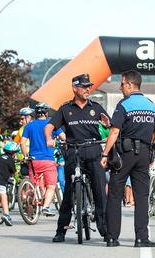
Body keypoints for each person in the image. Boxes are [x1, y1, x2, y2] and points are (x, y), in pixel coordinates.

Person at [100, 70, 155, 247]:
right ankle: (142, 238)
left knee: (114, 193)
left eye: (121, 84)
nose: (120, 88)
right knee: (142, 196)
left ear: (129, 84)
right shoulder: (151, 105)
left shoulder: (124, 104)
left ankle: (112, 237)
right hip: (144, 154)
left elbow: (114, 131)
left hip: (124, 154)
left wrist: (105, 154)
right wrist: (152, 152)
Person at [45, 73, 110, 243]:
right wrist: (49, 139)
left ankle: (105, 231)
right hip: (73, 152)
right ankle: (61, 231)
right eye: (85, 86)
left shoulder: (96, 107)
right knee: (68, 194)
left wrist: (107, 124)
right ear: (75, 88)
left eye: (89, 86)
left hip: (94, 150)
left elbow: (110, 125)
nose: (88, 89)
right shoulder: (65, 109)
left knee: (100, 192)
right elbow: (50, 126)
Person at [21, 102, 65, 216]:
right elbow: (64, 138)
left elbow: (22, 142)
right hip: (47, 160)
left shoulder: (29, 126)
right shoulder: (51, 124)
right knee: (51, 185)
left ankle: (30, 214)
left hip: (33, 160)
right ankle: (46, 207)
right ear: (46, 113)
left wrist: (25, 156)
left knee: (33, 186)